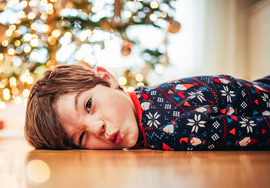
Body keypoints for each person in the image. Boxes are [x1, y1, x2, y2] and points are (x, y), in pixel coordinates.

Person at [24, 64, 270, 150]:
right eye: (80, 138)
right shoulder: (145, 100)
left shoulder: (170, 128)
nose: (97, 127)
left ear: (106, 78)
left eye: (89, 105)